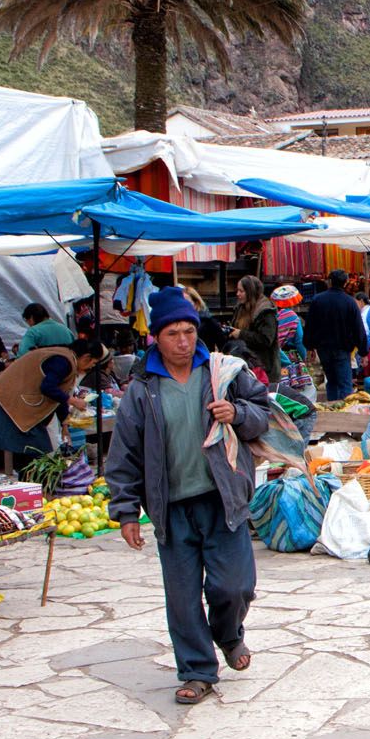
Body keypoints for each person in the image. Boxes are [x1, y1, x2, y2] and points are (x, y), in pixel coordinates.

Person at [107, 287, 273, 705]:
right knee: (182, 597)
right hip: (172, 508)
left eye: (188, 331)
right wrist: (126, 510)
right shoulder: (143, 389)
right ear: (156, 338)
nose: (183, 341)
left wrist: (238, 414)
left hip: (223, 499)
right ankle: (197, 671)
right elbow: (124, 453)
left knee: (235, 587)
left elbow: (265, 415)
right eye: (172, 334)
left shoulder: (224, 373)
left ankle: (229, 634)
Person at [0, 339, 108, 458]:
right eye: (93, 363)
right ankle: (30, 477)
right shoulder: (63, 361)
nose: (91, 367)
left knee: (35, 451)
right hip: (12, 401)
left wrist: (64, 425)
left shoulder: (68, 359)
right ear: (86, 357)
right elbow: (47, 387)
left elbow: (59, 395)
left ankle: (30, 476)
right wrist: (74, 401)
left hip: (18, 400)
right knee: (35, 450)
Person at [302, 269, 364, 401]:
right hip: (342, 349)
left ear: (329, 282)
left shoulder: (318, 300)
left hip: (323, 349)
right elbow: (358, 328)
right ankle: (346, 413)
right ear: (345, 283)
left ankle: (332, 408)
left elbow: (310, 325)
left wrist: (309, 346)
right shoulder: (350, 302)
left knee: (332, 381)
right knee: (345, 384)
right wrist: (364, 351)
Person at [229, 276, 280, 380]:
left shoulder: (265, 311)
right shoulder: (240, 308)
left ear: (250, 292)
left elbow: (265, 339)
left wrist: (240, 334)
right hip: (245, 365)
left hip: (264, 369)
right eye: (237, 290)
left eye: (241, 291)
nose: (237, 294)